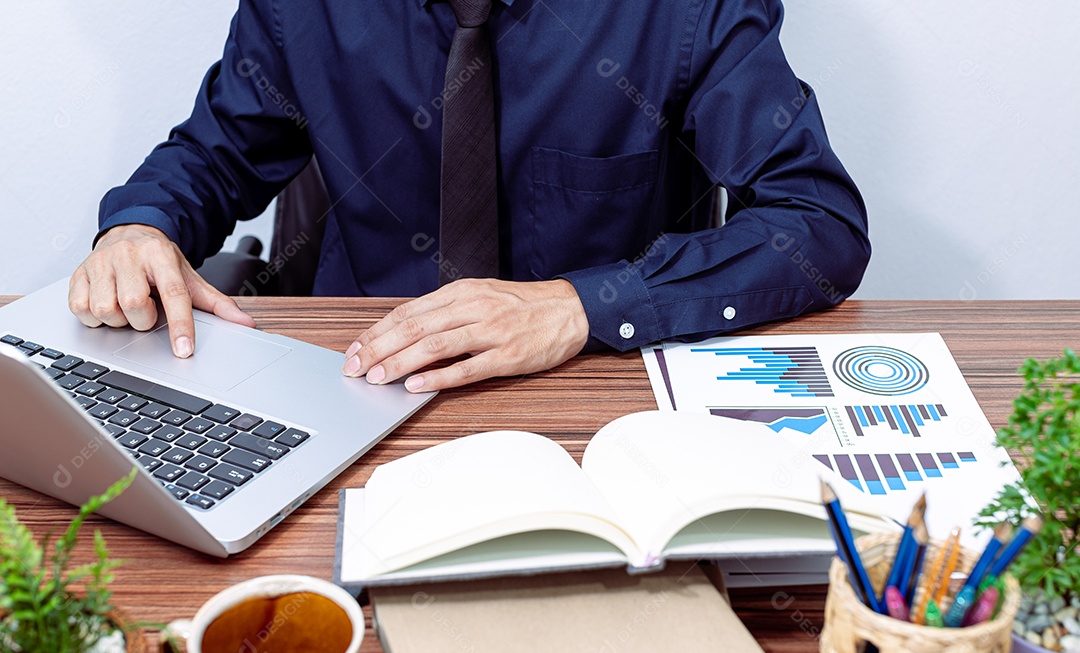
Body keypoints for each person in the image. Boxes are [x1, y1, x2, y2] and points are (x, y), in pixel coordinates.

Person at [69, 0, 870, 393]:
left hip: (589, 397)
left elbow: (819, 220)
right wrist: (139, 227)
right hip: (354, 386)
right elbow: (214, 155)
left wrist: (582, 306)